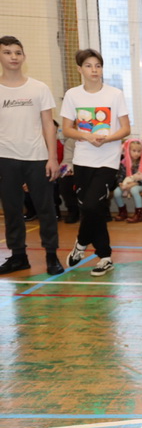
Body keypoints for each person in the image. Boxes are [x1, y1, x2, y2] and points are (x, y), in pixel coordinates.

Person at [61, 48, 132, 277]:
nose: (94, 70)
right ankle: (105, 256)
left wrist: (107, 138)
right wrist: (87, 136)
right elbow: (67, 129)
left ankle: (82, 242)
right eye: (89, 66)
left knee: (91, 205)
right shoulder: (72, 95)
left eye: (98, 66)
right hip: (83, 160)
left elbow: (125, 128)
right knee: (94, 209)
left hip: (107, 161)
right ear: (79, 69)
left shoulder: (115, 94)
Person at [0, 36, 63, 275]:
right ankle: (18, 257)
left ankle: (51, 256)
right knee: (12, 210)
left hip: (37, 158)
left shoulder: (39, 88)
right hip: (5, 159)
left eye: (18, 52)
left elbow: (49, 124)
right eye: (7, 52)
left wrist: (52, 158)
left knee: (46, 209)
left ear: (24, 56)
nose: (13, 57)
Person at [112, 139, 142, 223]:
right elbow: (120, 176)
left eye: (139, 151)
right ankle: (122, 212)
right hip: (125, 183)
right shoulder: (123, 163)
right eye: (134, 151)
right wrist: (120, 184)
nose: (136, 153)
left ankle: (139, 214)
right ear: (128, 150)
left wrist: (132, 184)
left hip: (139, 184)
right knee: (116, 192)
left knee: (134, 190)